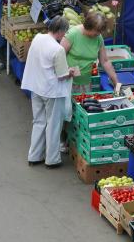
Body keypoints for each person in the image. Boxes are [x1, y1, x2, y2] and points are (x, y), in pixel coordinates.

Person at [21, 16, 76, 169]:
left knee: (38, 121)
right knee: (53, 125)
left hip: (35, 87)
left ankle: (34, 155)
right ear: (60, 31)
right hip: (51, 91)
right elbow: (61, 74)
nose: (64, 35)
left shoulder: (38, 38)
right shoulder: (57, 49)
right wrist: (70, 72)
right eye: (64, 32)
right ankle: (52, 159)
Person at [61, 12, 119, 93]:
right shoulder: (72, 34)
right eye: (96, 31)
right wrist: (66, 70)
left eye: (100, 32)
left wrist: (116, 83)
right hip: (67, 82)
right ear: (88, 26)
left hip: (85, 83)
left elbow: (105, 61)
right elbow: (59, 56)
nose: (98, 34)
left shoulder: (98, 38)